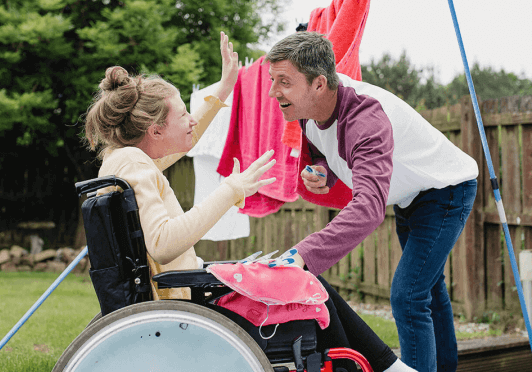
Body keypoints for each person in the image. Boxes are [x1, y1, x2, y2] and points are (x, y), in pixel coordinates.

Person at [84, 32, 416, 372]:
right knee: (306, 284)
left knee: (310, 284)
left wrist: (225, 88)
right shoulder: (135, 163)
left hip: (187, 287)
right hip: (188, 295)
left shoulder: (125, 160)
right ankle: (385, 368)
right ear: (154, 132)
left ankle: (384, 367)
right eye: (183, 113)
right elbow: (164, 244)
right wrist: (231, 190)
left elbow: (187, 139)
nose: (191, 121)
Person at [265, 31, 479, 372]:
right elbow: (327, 148)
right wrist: (322, 171)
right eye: (273, 80)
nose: (274, 91)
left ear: (319, 84)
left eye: (284, 82)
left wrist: (304, 254)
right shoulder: (309, 110)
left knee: (408, 297)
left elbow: (368, 208)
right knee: (429, 290)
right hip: (409, 195)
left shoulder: (366, 119)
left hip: (445, 191)